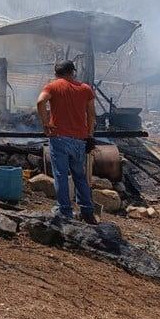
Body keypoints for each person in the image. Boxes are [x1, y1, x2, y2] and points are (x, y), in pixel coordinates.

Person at [36, 60, 98, 224]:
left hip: (59, 138)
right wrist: (89, 135)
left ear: (56, 74)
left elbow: (40, 101)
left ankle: (65, 212)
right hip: (79, 140)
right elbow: (91, 114)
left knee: (61, 176)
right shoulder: (85, 89)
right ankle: (87, 211)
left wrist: (45, 122)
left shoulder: (53, 86)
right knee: (80, 176)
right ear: (73, 72)